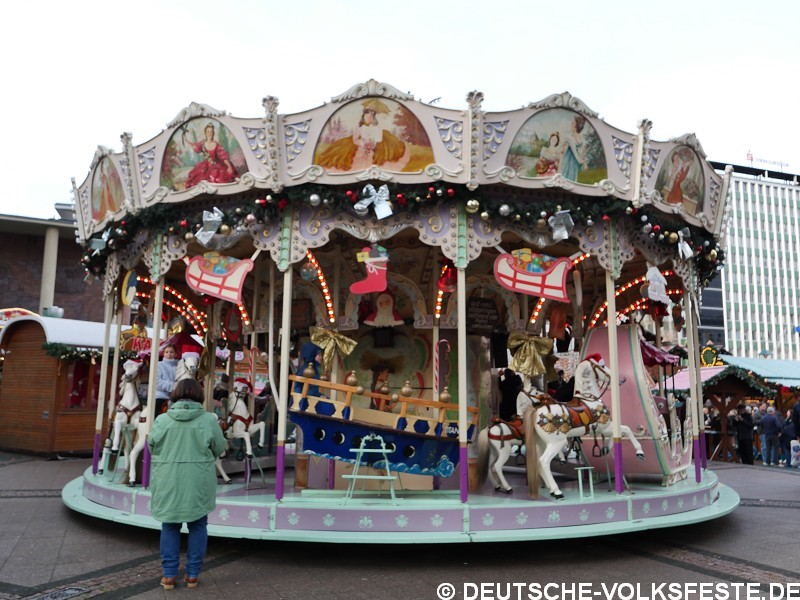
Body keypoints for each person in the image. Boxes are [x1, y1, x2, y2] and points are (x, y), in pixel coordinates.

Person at [148, 379, 227, 590]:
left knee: (169, 524)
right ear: (199, 395)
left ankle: (169, 575)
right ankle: (192, 574)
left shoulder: (162, 420)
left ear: (175, 394)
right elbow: (220, 447)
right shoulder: (209, 420)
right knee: (198, 524)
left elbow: (152, 445)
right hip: (198, 479)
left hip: (168, 478)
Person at [316, 100, 406, 171]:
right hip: (361, 143)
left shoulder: (377, 128)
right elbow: (355, 139)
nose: (369, 118)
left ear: (374, 118)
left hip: (374, 143)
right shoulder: (359, 127)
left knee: (383, 152)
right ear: (363, 117)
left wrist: (372, 141)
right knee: (346, 153)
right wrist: (364, 143)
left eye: (371, 116)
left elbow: (379, 138)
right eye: (367, 116)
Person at [184, 122, 238, 189]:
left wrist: (229, 167)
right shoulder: (202, 143)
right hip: (206, 166)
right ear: (205, 133)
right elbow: (194, 146)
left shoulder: (216, 145)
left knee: (218, 178)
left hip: (217, 165)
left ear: (213, 133)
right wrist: (186, 140)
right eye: (208, 132)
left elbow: (223, 156)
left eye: (211, 132)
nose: (210, 133)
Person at [559, 115, 587, 181]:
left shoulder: (581, 139)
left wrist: (584, 163)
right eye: (572, 123)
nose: (571, 124)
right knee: (565, 177)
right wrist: (580, 161)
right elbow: (571, 150)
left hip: (574, 161)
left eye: (573, 123)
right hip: (567, 160)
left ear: (577, 125)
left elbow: (583, 152)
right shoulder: (569, 137)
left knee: (573, 178)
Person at [155, 344, 179, 416]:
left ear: (176, 354)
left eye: (171, 352)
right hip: (161, 396)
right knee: (156, 411)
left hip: (176, 396)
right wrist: (173, 386)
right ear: (163, 354)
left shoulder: (178, 366)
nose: (169, 354)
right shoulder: (159, 365)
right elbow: (157, 382)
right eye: (167, 352)